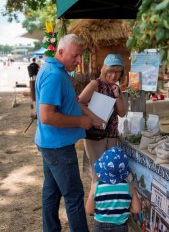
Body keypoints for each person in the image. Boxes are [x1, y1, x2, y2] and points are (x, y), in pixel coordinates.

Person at [34, 34, 93, 232]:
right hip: (57, 146)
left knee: (51, 192)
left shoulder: (56, 70)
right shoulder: (54, 75)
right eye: (75, 56)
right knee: (74, 196)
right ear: (60, 52)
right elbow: (47, 116)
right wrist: (81, 121)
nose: (78, 61)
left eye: (80, 56)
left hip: (51, 143)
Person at [78, 53, 128, 183]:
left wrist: (117, 95)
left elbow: (122, 113)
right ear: (105, 69)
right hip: (95, 135)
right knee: (98, 174)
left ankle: (107, 200)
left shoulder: (116, 88)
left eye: (118, 72)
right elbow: (79, 102)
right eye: (111, 71)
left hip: (111, 135)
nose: (114, 75)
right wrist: (95, 118)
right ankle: (96, 201)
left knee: (111, 173)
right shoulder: (96, 84)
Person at [85, 146, 141, 232]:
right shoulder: (129, 187)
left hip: (100, 225)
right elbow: (137, 209)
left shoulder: (96, 187)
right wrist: (126, 209)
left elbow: (89, 210)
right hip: (121, 226)